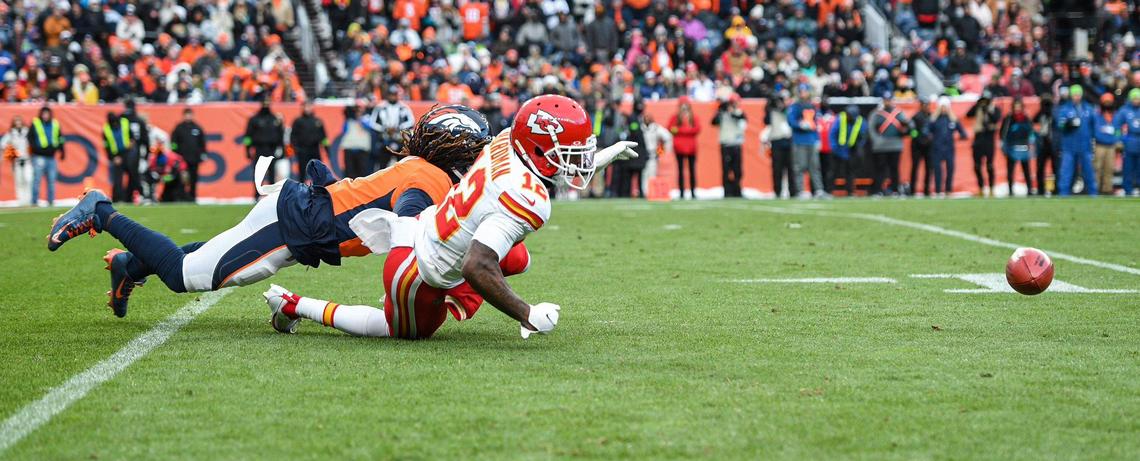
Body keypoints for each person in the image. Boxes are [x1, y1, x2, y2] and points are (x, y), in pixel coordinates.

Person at [47, 106, 491, 318]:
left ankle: (129, 265)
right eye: (474, 150)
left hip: (303, 218)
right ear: (454, 148)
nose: (477, 159)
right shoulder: (432, 178)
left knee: (214, 253)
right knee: (186, 275)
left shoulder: (424, 169)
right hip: (296, 223)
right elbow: (407, 232)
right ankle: (101, 212)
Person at [261, 94, 640, 339]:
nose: (578, 159)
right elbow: (477, 265)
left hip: (430, 223)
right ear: (540, 149)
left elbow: (547, 165)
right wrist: (527, 313)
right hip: (415, 266)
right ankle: (294, 304)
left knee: (519, 257)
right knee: (397, 331)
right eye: (571, 150)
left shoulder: (509, 140)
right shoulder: (530, 197)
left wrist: (603, 156)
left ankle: (451, 290)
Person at [1055, 85, 1098, 196]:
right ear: (1071, 95)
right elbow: (1060, 125)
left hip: (1085, 145)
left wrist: (1094, 140)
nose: (1076, 97)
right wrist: (1068, 124)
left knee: (1089, 171)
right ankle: (1064, 194)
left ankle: (1093, 194)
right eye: (1074, 95)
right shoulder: (1065, 109)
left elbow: (1094, 126)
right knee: (1066, 171)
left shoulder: (1088, 109)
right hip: (1069, 146)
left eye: (1078, 94)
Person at [869, 92, 912, 196]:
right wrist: (877, 141)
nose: (887, 102)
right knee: (880, 169)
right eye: (886, 99)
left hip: (895, 145)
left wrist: (906, 127)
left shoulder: (899, 113)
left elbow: (909, 126)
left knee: (894, 169)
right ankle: (878, 190)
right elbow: (871, 129)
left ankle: (895, 190)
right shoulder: (877, 113)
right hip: (881, 146)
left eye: (889, 99)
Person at [788, 84, 825, 197]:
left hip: (812, 139)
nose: (803, 93)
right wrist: (800, 124)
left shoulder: (813, 106)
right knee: (800, 166)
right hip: (799, 140)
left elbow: (817, 122)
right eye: (801, 91)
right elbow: (790, 120)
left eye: (805, 91)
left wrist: (818, 139)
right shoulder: (795, 106)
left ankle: (818, 190)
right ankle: (800, 190)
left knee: (815, 167)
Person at [926, 97, 968, 197]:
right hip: (937, 148)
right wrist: (928, 136)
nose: (944, 109)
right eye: (942, 107)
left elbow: (963, 133)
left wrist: (961, 136)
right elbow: (926, 130)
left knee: (950, 169)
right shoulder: (934, 119)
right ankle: (938, 190)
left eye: (945, 107)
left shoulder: (953, 119)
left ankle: (948, 190)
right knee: (937, 170)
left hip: (949, 148)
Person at [366, 86, 415, 172]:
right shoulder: (380, 107)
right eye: (391, 95)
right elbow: (372, 123)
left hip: (399, 139)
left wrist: (400, 127)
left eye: (394, 95)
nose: (393, 97)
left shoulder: (404, 107)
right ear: (387, 95)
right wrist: (384, 129)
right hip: (385, 139)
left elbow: (411, 121)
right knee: (383, 166)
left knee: (402, 165)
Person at [243, 99, 286, 196]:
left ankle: (271, 195)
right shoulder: (255, 119)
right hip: (259, 149)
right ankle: (256, 195)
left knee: (272, 173)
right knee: (259, 173)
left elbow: (280, 136)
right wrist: (247, 149)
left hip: (272, 149)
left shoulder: (274, 119)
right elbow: (248, 136)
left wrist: (281, 149)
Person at [28, 106, 65, 206]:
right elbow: (30, 138)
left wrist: (62, 151)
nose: (45, 116)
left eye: (47, 113)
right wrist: (35, 149)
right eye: (44, 114)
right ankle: (34, 201)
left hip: (51, 156)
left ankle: (51, 201)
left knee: (51, 180)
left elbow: (60, 138)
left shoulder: (55, 123)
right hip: (39, 155)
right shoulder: (36, 123)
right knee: (37, 180)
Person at [712, 93, 747, 197]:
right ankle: (727, 191)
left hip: (736, 144)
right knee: (726, 170)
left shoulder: (740, 113)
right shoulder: (722, 114)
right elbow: (713, 122)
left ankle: (737, 190)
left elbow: (742, 124)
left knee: (738, 170)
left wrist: (732, 113)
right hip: (726, 144)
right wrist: (720, 111)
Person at [967, 91, 1001, 197]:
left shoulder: (995, 109)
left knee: (989, 165)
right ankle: (981, 188)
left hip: (989, 140)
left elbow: (996, 119)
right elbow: (968, 114)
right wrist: (977, 104)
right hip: (978, 139)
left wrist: (988, 110)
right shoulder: (978, 108)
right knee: (977, 166)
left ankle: (991, 189)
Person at [829, 105, 868, 197]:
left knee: (850, 172)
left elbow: (863, 136)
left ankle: (850, 191)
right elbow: (833, 133)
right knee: (834, 171)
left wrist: (858, 147)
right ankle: (829, 190)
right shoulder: (840, 119)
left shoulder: (860, 121)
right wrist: (834, 148)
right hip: (839, 149)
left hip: (851, 150)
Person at [999, 98, 1036, 196]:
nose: (1017, 108)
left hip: (1023, 145)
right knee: (1010, 169)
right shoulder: (1009, 118)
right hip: (1012, 146)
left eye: (1019, 106)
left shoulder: (1025, 117)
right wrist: (1003, 143)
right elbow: (1003, 132)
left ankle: (1030, 189)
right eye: (1016, 106)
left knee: (1026, 168)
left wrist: (1031, 142)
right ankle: (1010, 190)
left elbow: (1030, 131)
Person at [170, 108, 207, 202]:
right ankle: (181, 196)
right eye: (186, 114)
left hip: (194, 159)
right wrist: (175, 154)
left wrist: (203, 153)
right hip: (182, 159)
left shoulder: (197, 128)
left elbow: (202, 143)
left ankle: (192, 197)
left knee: (193, 179)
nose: (188, 116)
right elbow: (173, 142)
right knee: (182, 179)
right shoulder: (179, 128)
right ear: (183, 115)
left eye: (189, 114)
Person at [615, 100, 650, 198]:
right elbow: (635, 132)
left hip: (640, 151)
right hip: (635, 149)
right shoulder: (633, 118)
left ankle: (640, 193)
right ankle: (627, 193)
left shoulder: (639, 119)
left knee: (639, 175)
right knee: (630, 175)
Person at [763, 95, 796, 198]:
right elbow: (766, 121)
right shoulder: (771, 112)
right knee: (777, 169)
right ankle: (777, 191)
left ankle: (793, 191)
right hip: (776, 141)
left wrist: (784, 106)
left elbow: (790, 117)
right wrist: (769, 105)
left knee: (790, 168)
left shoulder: (788, 111)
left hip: (788, 141)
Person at [290, 100, 330, 183]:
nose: (307, 108)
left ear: (312, 107)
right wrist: (295, 149)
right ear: (302, 108)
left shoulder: (317, 121)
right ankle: (302, 190)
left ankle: (318, 190)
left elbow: (324, 137)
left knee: (317, 171)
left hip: (315, 149)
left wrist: (327, 149)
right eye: (305, 106)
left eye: (309, 106)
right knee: (302, 172)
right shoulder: (298, 121)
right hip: (302, 150)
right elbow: (293, 136)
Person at [669, 97, 700, 199]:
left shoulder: (693, 118)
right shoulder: (675, 118)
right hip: (679, 147)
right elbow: (671, 128)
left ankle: (693, 192)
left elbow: (697, 129)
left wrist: (680, 130)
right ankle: (681, 192)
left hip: (691, 148)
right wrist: (686, 130)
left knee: (692, 171)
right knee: (680, 171)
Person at [120, 100, 150, 203]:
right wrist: (146, 152)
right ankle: (139, 194)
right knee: (133, 174)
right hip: (135, 150)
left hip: (125, 150)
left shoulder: (122, 119)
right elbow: (145, 139)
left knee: (130, 174)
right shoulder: (138, 120)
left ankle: (128, 196)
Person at [1092, 93, 1120, 195]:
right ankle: (1096, 188)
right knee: (1097, 168)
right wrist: (1101, 135)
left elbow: (1117, 130)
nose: (1107, 104)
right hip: (1100, 145)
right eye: (1105, 102)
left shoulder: (1115, 115)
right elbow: (1095, 129)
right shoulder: (1097, 115)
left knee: (1109, 168)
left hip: (1111, 145)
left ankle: (1107, 189)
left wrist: (1116, 138)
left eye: (1109, 102)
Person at [1114, 88, 1140, 196]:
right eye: (1134, 98)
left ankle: (1138, 188)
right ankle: (1128, 189)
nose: (1136, 100)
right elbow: (1116, 126)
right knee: (1128, 168)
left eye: (1138, 98)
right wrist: (1119, 140)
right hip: (1129, 142)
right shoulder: (1124, 110)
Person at [1, 116, 31, 206]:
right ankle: (21, 200)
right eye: (16, 121)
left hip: (27, 159)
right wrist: (12, 153)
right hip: (17, 161)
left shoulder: (27, 131)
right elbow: (3, 144)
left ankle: (28, 199)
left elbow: (32, 143)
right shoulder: (11, 133)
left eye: (19, 121)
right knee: (19, 181)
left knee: (28, 179)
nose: (18, 123)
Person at [103, 112, 132, 202]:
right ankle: (118, 198)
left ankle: (129, 197)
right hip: (116, 155)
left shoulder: (125, 122)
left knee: (133, 175)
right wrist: (113, 158)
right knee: (117, 179)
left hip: (128, 152)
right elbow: (107, 146)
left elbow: (131, 136)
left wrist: (131, 144)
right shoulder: (106, 129)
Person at [909, 96, 935, 197]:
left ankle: (927, 190)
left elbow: (934, 130)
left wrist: (930, 138)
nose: (926, 106)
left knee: (929, 168)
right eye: (924, 105)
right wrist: (919, 139)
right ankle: (912, 190)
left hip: (929, 146)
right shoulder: (916, 117)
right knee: (915, 167)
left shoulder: (931, 116)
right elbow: (912, 131)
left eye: (927, 105)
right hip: (917, 146)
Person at [1034, 97, 1058, 196]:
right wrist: (1042, 111)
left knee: (1055, 168)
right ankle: (1040, 189)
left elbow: (1057, 123)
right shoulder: (1041, 114)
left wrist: (1050, 112)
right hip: (1043, 143)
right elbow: (1034, 120)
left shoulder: (1054, 113)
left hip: (1052, 143)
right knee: (1040, 168)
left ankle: (1056, 188)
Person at [340, 105, 373, 178]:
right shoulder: (349, 121)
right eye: (356, 111)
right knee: (349, 172)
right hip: (349, 149)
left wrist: (360, 120)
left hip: (362, 150)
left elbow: (370, 127)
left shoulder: (367, 119)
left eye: (359, 111)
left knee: (362, 173)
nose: (357, 113)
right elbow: (344, 131)